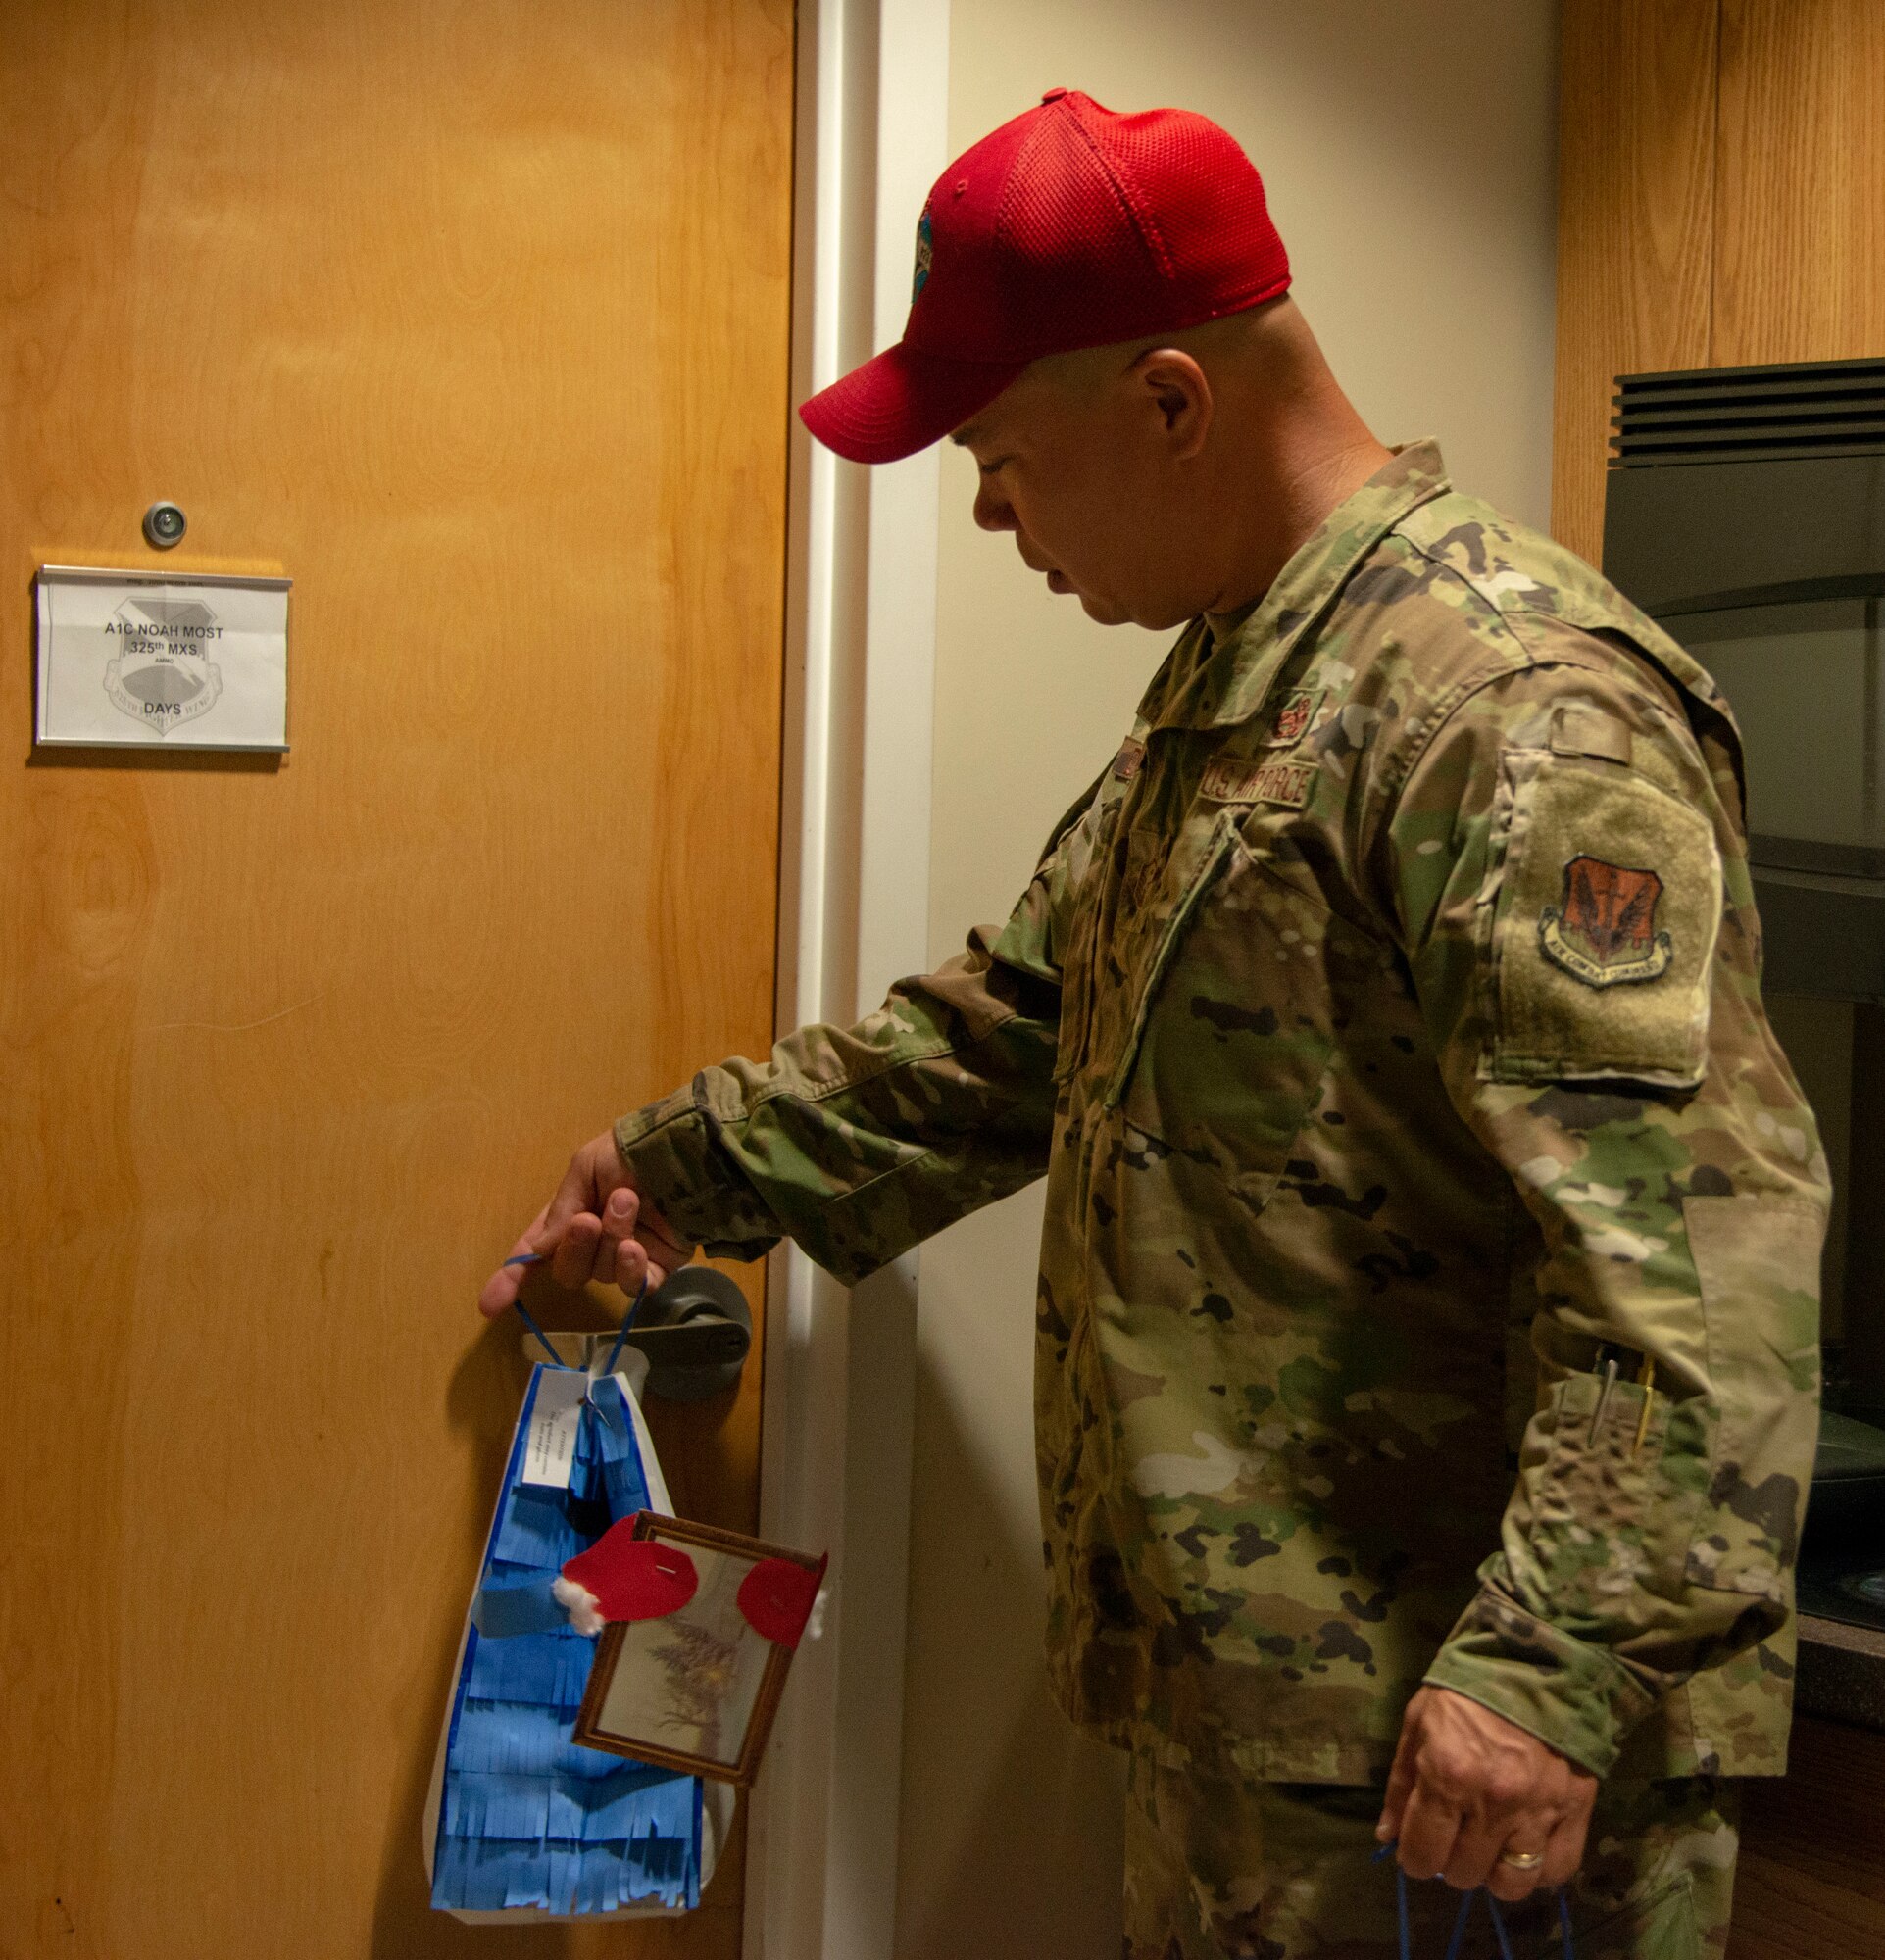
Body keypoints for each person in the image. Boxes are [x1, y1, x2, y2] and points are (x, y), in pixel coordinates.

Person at [480, 91, 1826, 1959]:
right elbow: (1027, 1026)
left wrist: (1549, 1671)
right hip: (1268, 1736)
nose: (986, 507)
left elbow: (1691, 1263)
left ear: (1174, 401)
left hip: (1465, 1773)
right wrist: (685, 1162)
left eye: (1004, 453)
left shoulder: (1516, 709)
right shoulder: (1253, 676)